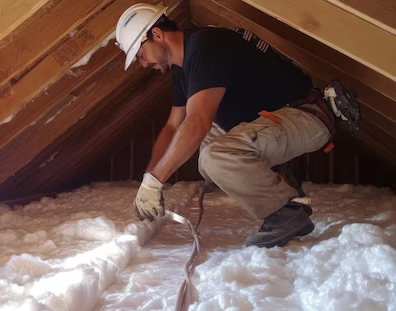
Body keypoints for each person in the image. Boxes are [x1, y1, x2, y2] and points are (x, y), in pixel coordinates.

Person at [115, 4, 361, 247]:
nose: (143, 63)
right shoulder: (183, 69)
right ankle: (278, 181)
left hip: (304, 117)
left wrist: (156, 181)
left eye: (140, 54)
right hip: (273, 122)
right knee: (205, 149)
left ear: (156, 34)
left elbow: (198, 122)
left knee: (215, 156)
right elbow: (172, 127)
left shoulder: (205, 46)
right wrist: (149, 180)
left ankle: (285, 213)